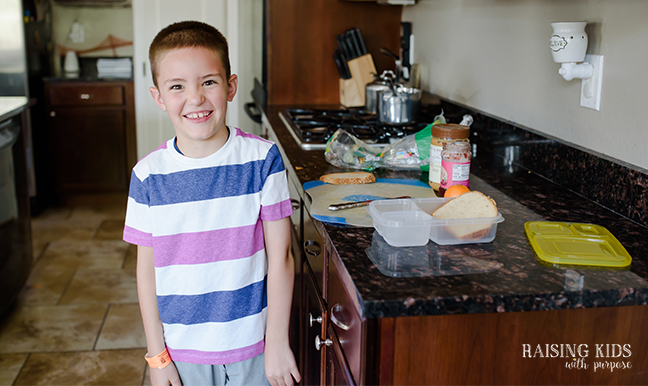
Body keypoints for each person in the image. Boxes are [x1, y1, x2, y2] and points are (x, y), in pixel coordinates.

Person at [123, 20, 301, 386]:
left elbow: (282, 256)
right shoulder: (147, 176)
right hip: (182, 352)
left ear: (230, 87)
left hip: (255, 345)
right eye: (177, 87)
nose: (196, 99)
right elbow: (146, 272)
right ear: (159, 97)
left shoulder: (262, 160)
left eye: (209, 82)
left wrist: (278, 342)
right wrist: (157, 358)